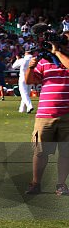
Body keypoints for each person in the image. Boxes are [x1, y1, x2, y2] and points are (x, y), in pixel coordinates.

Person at [24, 40, 69, 195]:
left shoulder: (64, 58)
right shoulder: (44, 62)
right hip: (45, 113)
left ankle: (61, 185)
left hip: (67, 115)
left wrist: (57, 52)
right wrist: (31, 67)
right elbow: (29, 81)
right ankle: (35, 183)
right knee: (39, 151)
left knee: (66, 152)